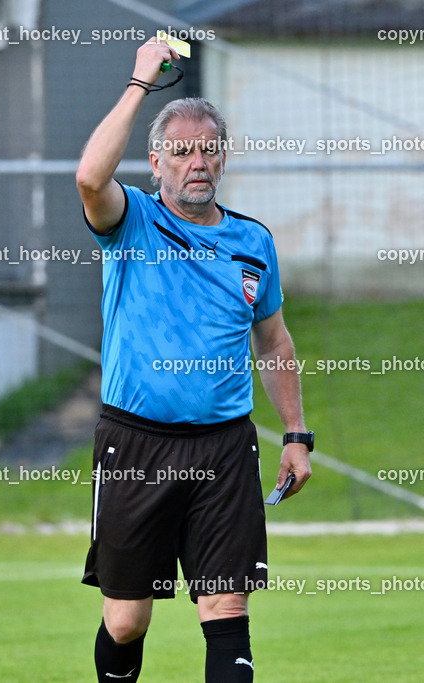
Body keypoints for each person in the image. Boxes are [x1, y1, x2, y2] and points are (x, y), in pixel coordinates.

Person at [76, 37, 313, 683]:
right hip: (137, 442)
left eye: (208, 147)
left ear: (224, 157)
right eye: (180, 150)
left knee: (225, 604)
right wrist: (139, 83)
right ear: (156, 163)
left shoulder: (251, 241)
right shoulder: (134, 222)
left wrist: (295, 433)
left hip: (224, 448)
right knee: (127, 618)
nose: (196, 160)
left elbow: (275, 343)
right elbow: (90, 178)